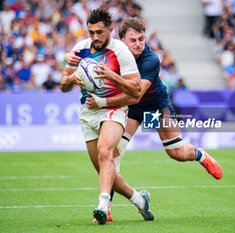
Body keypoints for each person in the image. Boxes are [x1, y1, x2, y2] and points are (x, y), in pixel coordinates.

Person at [65, 16, 223, 221]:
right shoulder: (112, 53)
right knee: (110, 156)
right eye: (134, 40)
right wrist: (70, 57)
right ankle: (106, 208)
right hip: (127, 108)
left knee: (175, 152)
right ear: (121, 40)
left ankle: (200, 155)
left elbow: (136, 95)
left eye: (142, 39)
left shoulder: (150, 59)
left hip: (154, 106)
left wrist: (102, 103)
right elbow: (86, 56)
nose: (139, 44)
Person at [60, 9, 154, 225]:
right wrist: (72, 77)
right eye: (91, 32)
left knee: (105, 151)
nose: (95, 37)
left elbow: (135, 88)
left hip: (114, 109)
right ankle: (140, 200)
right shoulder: (80, 49)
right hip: (88, 112)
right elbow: (63, 86)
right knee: (105, 168)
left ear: (110, 30)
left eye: (100, 32)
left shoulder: (120, 51)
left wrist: (111, 75)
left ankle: (103, 205)